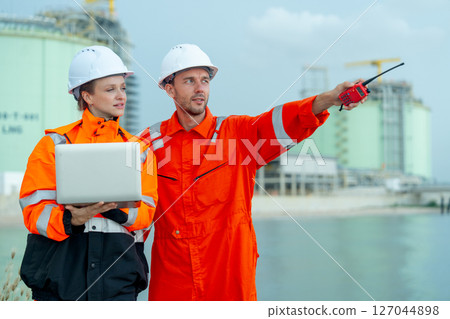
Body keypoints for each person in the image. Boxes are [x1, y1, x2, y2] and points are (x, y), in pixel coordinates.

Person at [139, 44, 364, 301]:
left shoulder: (237, 134)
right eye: (189, 81)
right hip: (174, 280)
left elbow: (280, 122)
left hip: (230, 278)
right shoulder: (150, 143)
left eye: (204, 80)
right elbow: (128, 210)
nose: (200, 88)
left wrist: (326, 99)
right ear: (169, 89)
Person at [19, 45, 158, 301]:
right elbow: (33, 210)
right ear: (87, 96)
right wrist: (72, 220)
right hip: (59, 278)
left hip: (117, 280)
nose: (121, 96)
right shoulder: (53, 145)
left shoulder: (139, 150)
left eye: (123, 88)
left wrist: (111, 208)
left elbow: (148, 212)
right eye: (110, 89)